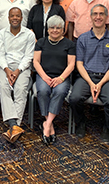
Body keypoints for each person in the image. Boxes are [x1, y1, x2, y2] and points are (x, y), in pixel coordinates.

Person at [69, 4, 109, 142]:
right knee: (74, 98)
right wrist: (91, 83)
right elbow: (79, 64)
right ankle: (80, 123)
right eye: (95, 14)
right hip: (86, 77)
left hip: (107, 78)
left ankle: (108, 128)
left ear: (106, 17)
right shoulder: (83, 38)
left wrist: (101, 83)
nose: (98, 17)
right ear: (91, 17)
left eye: (101, 14)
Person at [33, 15, 75, 145]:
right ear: (47, 29)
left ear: (63, 30)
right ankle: (49, 124)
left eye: (58, 28)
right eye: (52, 27)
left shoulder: (69, 44)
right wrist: (44, 77)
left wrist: (61, 78)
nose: (55, 30)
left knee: (60, 92)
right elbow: (36, 61)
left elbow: (71, 64)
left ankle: (47, 124)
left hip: (62, 77)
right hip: (43, 75)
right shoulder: (41, 42)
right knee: (43, 91)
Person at [0, 7, 35, 143]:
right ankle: (15, 125)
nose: (15, 18)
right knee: (2, 86)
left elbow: (29, 56)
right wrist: (7, 70)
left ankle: (13, 126)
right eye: (12, 16)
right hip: (5, 66)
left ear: (22, 18)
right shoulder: (1, 34)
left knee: (20, 90)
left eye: (17, 16)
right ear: (8, 18)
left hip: (22, 68)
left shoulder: (29, 35)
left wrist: (18, 70)